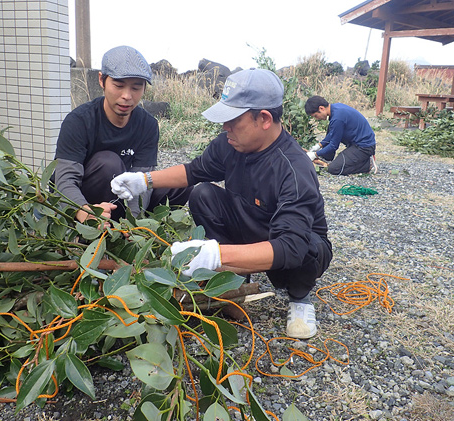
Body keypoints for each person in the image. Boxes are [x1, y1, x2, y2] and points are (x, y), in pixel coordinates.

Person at [110, 68, 332, 339]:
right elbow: (194, 171)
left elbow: (290, 247)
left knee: (306, 246)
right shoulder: (232, 143)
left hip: (293, 249)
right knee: (203, 194)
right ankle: (234, 280)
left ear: (263, 118)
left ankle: (300, 298)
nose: (224, 127)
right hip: (255, 225)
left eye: (232, 120)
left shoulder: (293, 169)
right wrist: (144, 180)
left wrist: (214, 254)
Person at [54, 45, 191, 223]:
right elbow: (65, 179)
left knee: (179, 185)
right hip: (88, 202)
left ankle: (129, 232)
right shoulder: (79, 121)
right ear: (102, 80)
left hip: (123, 197)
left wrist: (132, 224)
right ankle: (91, 232)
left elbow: (143, 183)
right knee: (109, 164)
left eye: (136, 88)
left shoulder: (148, 125)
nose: (127, 96)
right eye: (119, 85)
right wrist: (83, 211)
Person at [304, 95, 378, 175]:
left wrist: (315, 154)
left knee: (333, 169)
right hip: (355, 143)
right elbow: (332, 133)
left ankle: (367, 164)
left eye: (316, 116)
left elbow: (333, 145)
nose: (317, 118)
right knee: (331, 128)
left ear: (321, 108)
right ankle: (327, 158)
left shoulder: (337, 118)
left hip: (364, 147)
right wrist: (319, 146)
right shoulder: (335, 108)